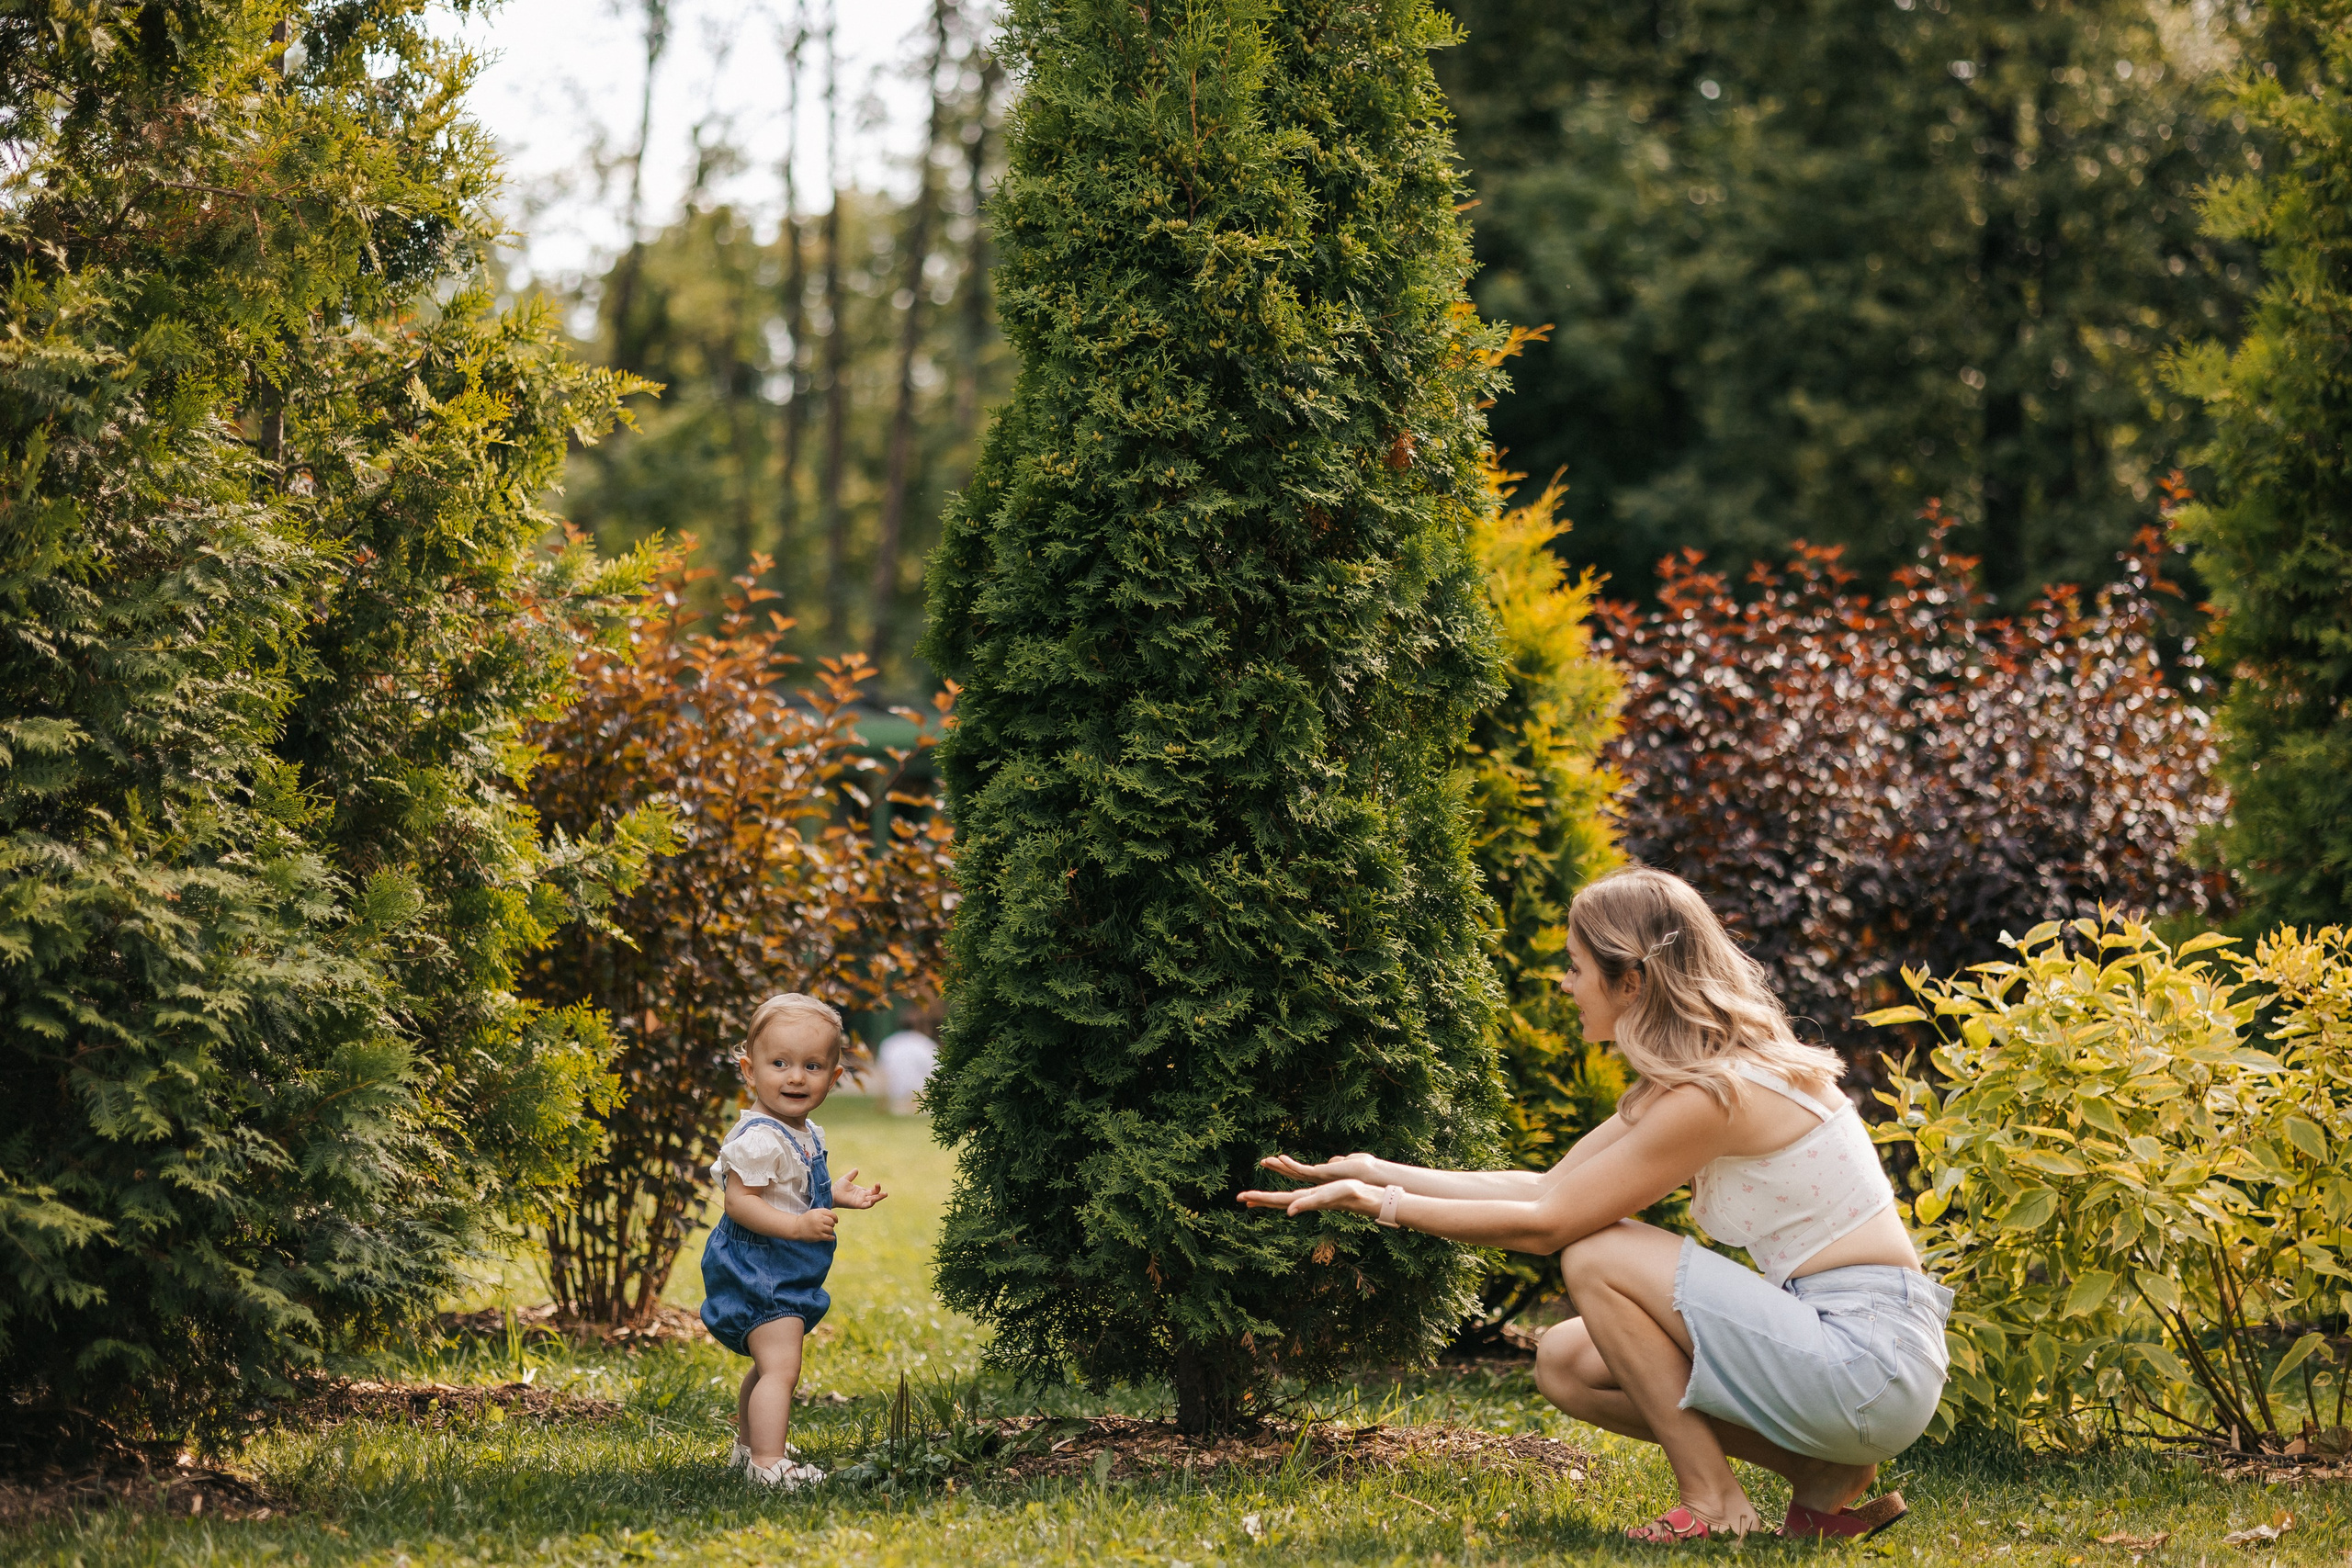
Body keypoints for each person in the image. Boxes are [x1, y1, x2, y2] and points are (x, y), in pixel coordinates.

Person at [1238, 865, 1950, 1541]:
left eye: (1577, 966)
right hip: (1849, 1349)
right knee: (1567, 1359)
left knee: (1597, 1251)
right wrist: (1377, 1170)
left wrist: (1381, 1204)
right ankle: (1817, 1471)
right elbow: (1548, 1185)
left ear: (1632, 981)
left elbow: (1550, 1223)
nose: (1565, 982)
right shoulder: (1701, 1081)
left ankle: (1715, 1500)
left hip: (1869, 1360)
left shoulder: (1716, 1094)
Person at [700, 993, 888, 1488]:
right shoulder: (759, 1137)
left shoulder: (804, 1132)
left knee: (770, 1366)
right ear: (749, 1069)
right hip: (758, 1268)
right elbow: (740, 1203)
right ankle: (768, 1462)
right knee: (782, 1367)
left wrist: (836, 1196)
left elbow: (792, 1191)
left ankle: (749, 1449)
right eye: (779, 1063)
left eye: (812, 1065)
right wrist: (798, 1227)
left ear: (834, 1077)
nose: (795, 1077)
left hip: (781, 1268)